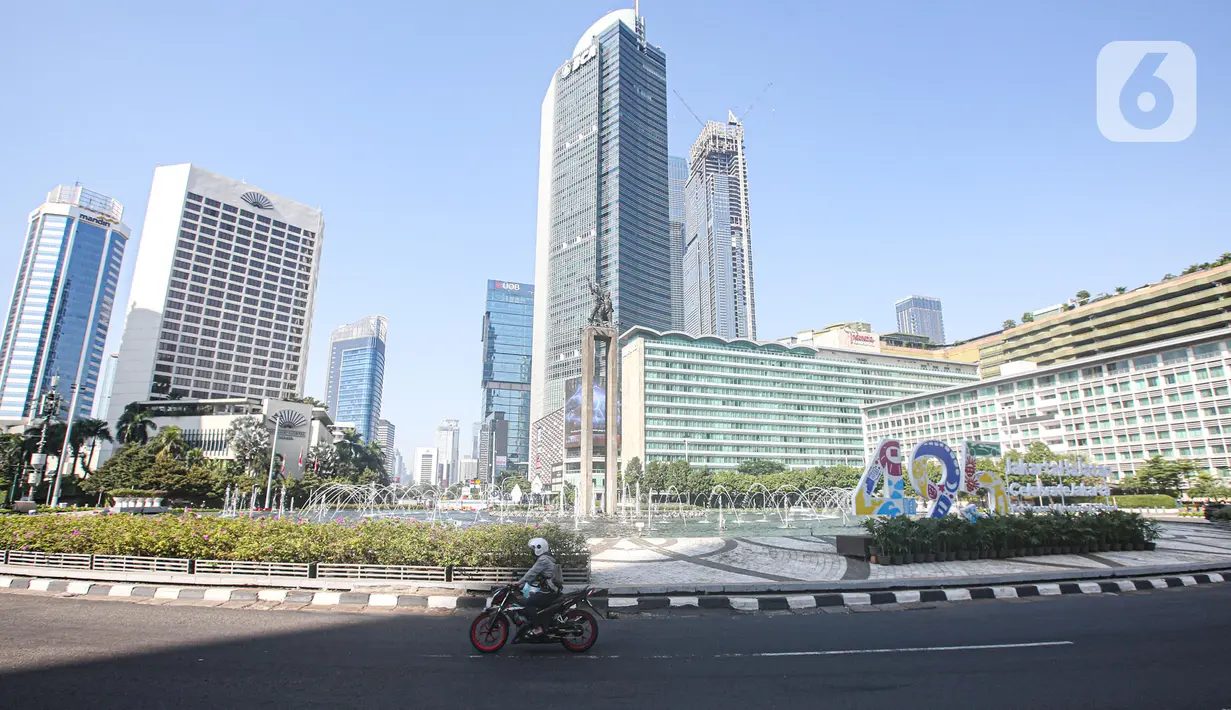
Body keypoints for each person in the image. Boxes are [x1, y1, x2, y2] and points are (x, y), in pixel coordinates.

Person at [514, 537, 562, 638]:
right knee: (531, 598)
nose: (531, 552)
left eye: (532, 549)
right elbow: (535, 575)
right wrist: (522, 585)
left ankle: (537, 628)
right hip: (550, 589)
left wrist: (519, 583)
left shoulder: (543, 559)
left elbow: (532, 572)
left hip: (549, 591)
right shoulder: (546, 558)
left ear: (538, 548)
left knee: (529, 602)